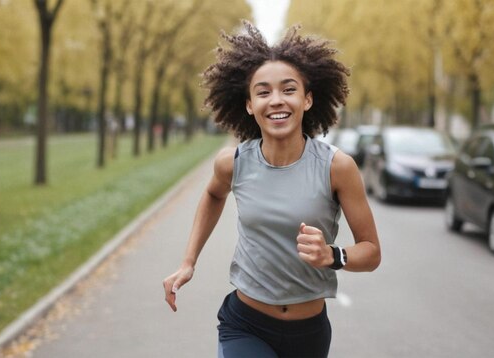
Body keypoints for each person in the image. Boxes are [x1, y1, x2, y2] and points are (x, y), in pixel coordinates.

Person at [162, 21, 381, 358]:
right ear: (249, 105)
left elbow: (371, 252)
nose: (276, 100)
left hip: (309, 332)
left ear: (307, 99)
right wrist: (188, 261)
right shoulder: (233, 163)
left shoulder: (337, 167)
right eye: (263, 92)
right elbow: (213, 194)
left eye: (289, 89)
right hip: (245, 324)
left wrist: (332, 255)